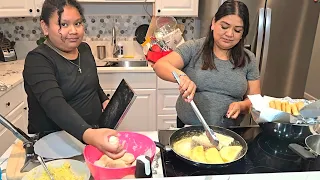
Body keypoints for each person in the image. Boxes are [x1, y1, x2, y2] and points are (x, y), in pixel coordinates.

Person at [23, 0, 125, 159]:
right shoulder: (38, 60)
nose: (74, 31)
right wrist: (90, 135)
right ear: (45, 27)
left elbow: (93, 83)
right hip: (56, 144)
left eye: (78, 23)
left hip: (88, 137)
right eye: (64, 24)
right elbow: (55, 105)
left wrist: (104, 99)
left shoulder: (84, 49)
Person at [153, 0, 261, 127]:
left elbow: (255, 100)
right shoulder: (194, 48)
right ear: (214, 23)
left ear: (243, 34)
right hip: (188, 128)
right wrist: (182, 77)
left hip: (228, 132)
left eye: (237, 30)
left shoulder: (248, 59)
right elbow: (160, 65)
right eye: (224, 26)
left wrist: (241, 106)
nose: (229, 34)